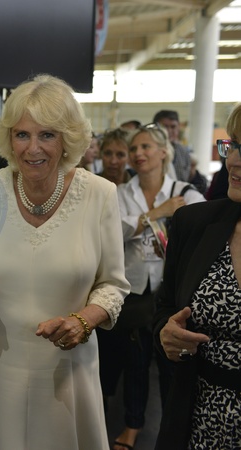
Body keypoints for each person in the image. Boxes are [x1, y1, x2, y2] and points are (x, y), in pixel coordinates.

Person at [0, 74, 130, 449]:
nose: (33, 148)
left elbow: (113, 285)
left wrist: (84, 320)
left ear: (67, 139)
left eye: (47, 134)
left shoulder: (99, 194)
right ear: (9, 138)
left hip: (66, 371)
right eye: (22, 134)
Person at [105, 124, 205, 450]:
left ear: (163, 152)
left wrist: (150, 223)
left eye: (146, 146)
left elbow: (202, 233)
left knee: (172, 367)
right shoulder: (120, 193)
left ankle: (173, 430)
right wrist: (158, 213)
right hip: (134, 291)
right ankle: (132, 426)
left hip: (174, 293)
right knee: (135, 363)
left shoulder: (186, 192)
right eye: (134, 148)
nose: (138, 153)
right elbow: (113, 232)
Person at [153, 103, 241, 450]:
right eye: (233, 144)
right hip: (201, 421)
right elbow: (165, 307)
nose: (233, 161)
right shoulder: (195, 223)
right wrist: (166, 334)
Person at [153, 110, 192, 182]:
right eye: (165, 127)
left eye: (173, 127)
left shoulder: (184, 152)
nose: (169, 130)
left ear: (178, 128)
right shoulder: (149, 151)